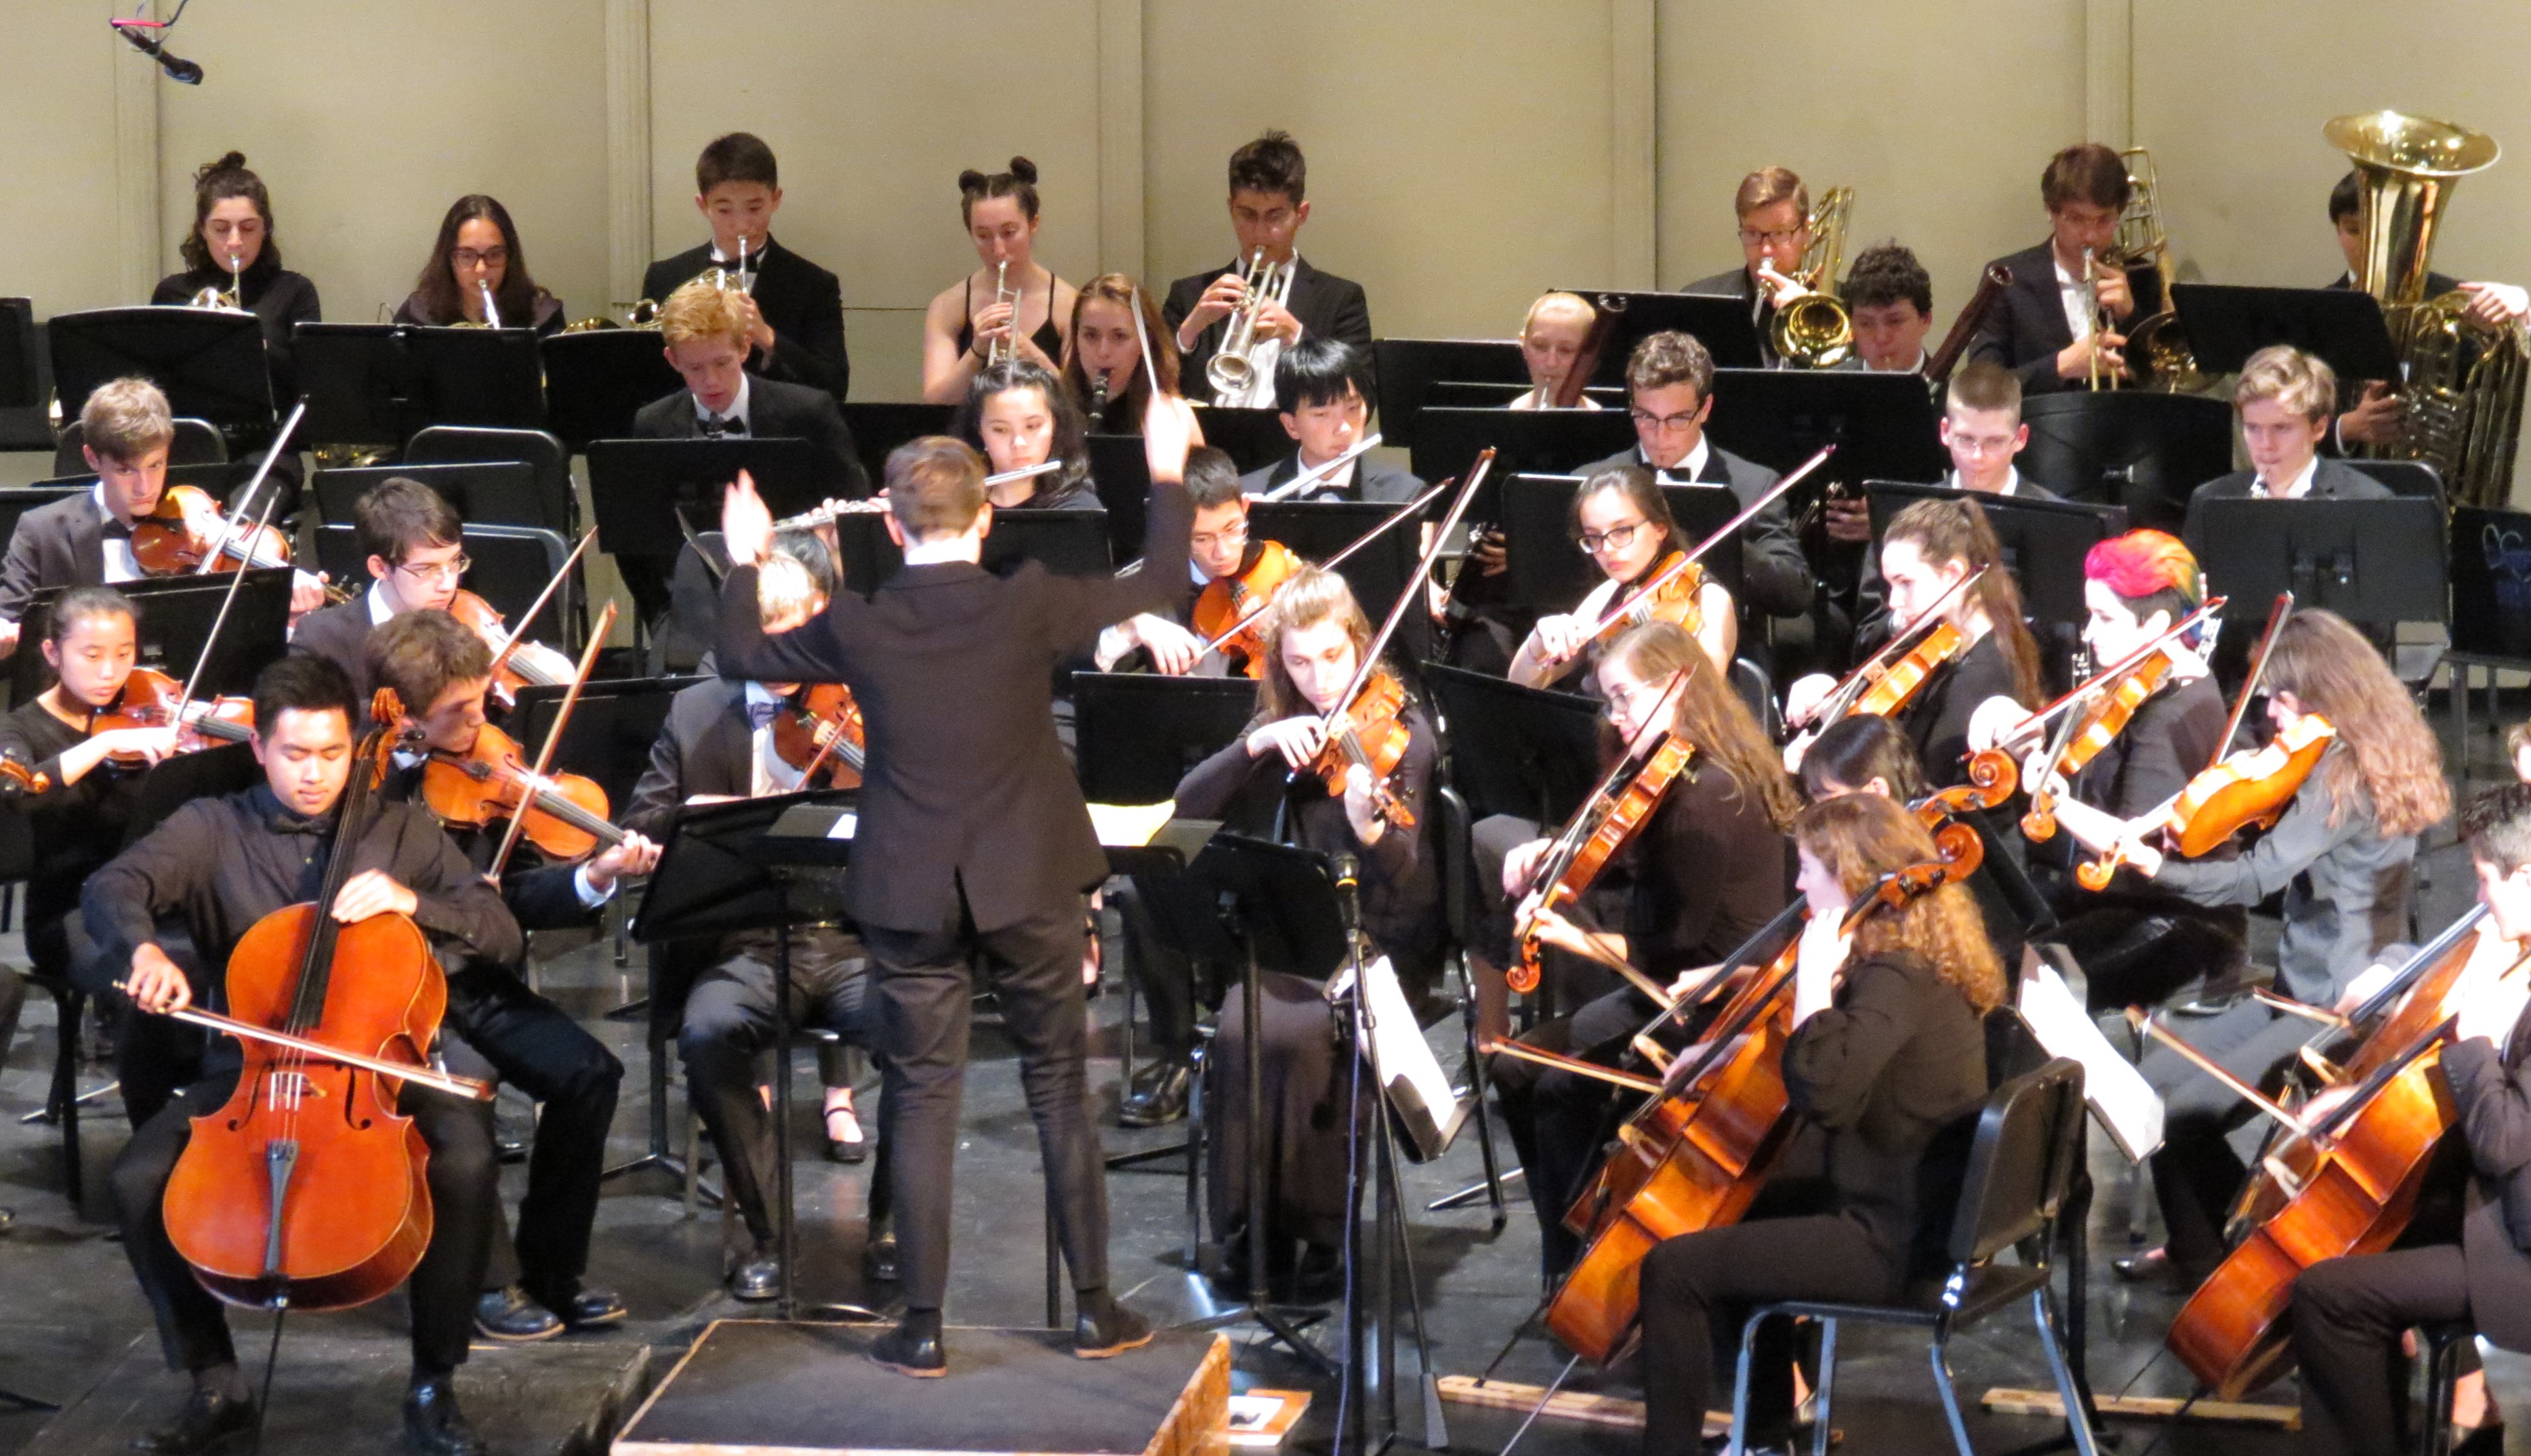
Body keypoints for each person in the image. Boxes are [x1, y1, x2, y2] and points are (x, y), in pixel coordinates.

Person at [712, 397, 1197, 1374]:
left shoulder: (859, 622)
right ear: (985, 519)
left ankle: (924, 1327)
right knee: (1059, 1087)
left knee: (922, 1095)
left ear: (892, 530)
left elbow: (742, 652)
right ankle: (1094, 1312)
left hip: (911, 888)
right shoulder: (1029, 601)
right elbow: (1158, 580)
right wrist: (1166, 470)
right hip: (1030, 878)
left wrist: (748, 558)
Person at [91, 654, 522, 1456]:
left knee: (465, 1160)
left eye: (332, 754)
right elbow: (112, 886)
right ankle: (215, 1382)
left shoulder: (398, 828)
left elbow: (499, 928)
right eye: (295, 754)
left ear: (356, 748)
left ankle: (435, 1381)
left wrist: (414, 901)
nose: (316, 774)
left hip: (376, 1068)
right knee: (137, 1178)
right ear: (260, 747)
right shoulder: (210, 826)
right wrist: (143, 949)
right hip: (250, 1069)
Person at [2046, 609, 2448, 1289]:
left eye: (2279, 699)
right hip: (2307, 981)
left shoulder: (2342, 778)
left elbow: (2253, 879)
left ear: (2322, 694)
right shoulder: (2370, 749)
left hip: (2334, 1003)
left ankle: (2220, 1262)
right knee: (2156, 1085)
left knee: (2180, 1112)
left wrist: (2155, 866)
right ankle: (2207, 1241)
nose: (2268, 713)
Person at [1636, 791, 2000, 1456]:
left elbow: (1824, 1093)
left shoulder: (1894, 975)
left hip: (1894, 1242)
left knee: (1672, 1269)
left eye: (1807, 869)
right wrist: (1730, 1049)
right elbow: (1851, 1065)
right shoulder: (1918, 957)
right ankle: (1765, 1436)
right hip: (1922, 1215)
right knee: (1746, 1205)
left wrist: (1812, 978)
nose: (1799, 885)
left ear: (1851, 878)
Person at [364, 610, 659, 1339]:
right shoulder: (365, 787)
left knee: (589, 1072)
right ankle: (489, 1282)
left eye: (481, 701)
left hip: (470, 976)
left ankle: (553, 1269)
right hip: (392, 987)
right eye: (457, 712)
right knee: (464, 1090)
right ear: (405, 717)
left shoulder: (487, 773)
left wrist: (595, 875)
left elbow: (520, 897)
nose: (480, 722)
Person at [1488, 622, 1800, 1279]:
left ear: (1678, 685)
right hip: (1675, 975)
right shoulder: (1683, 767)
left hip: (1710, 998)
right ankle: (1565, 1250)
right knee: (1515, 1069)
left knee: (1553, 1086)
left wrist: (1577, 939)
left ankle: (1587, 1265)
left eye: (1626, 697)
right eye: (1609, 700)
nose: (1616, 716)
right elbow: (1631, 868)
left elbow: (1670, 945)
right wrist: (1555, 849)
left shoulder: (1705, 799)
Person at [625, 541, 887, 1298]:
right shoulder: (697, 709)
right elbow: (644, 819)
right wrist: (691, 817)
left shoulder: (866, 699)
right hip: (740, 942)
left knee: (919, 1029)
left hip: (849, 935)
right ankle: (767, 1234)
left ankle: (891, 1226)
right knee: (708, 1034)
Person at [1172, 567, 1443, 1294]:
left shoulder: (1405, 733)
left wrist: (1369, 829)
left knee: (1310, 1036)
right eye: (1298, 662)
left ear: (1358, 642)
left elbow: (1404, 873)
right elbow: (1187, 805)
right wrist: (1256, 745)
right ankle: (1252, 1226)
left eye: (1331, 657)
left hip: (1376, 938)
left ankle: (1323, 1231)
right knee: (1242, 1027)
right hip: (1292, 931)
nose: (1320, 679)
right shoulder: (1281, 719)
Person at [2286, 781, 2531, 1456]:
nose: (2479, 896)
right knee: (2368, 1230)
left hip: (2521, 1249)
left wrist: (2475, 1044)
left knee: (2327, 1296)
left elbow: (2505, 1141)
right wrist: (2365, 1104)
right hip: (2506, 1210)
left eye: (2486, 880)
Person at [2011, 531, 2243, 1010]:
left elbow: (2133, 847)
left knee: (2016, 974)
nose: (2087, 633)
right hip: (2109, 893)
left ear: (2155, 624)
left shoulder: (2171, 712)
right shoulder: (2135, 679)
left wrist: (2055, 800)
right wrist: (2003, 717)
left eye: (2104, 618)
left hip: (2169, 916)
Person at [0, 589, 180, 1119]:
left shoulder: (145, 714)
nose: (110, 671)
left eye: (124, 654)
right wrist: (100, 746)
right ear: (53, 653)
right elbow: (17, 791)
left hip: (149, 898)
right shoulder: (20, 729)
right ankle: (152, 1127)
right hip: (69, 912)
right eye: (92, 655)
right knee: (141, 989)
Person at [625, 278, 867, 625]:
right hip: (695, 611)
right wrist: (664, 617)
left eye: (722, 363)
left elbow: (853, 511)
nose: (711, 380)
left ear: (745, 349)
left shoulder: (809, 412)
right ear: (672, 360)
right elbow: (636, 542)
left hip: (805, 603)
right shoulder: (653, 424)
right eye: (695, 368)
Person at [1786, 495, 2044, 787]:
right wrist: (1833, 709)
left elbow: (1918, 785)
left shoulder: (1984, 673)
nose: (1893, 602)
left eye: (1906, 583)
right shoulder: (1937, 641)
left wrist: (1826, 764)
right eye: (1890, 585)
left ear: (1953, 575)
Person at [1577, 331, 1811, 623]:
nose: (1661, 435)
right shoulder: (1589, 483)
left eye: (1678, 418)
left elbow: (1794, 593)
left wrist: (1723, 538)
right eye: (1646, 417)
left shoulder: (1755, 485)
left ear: (1705, 409)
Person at [2325, 169, 2529, 452]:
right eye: (2354, 230)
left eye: (2383, 232)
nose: (2370, 245)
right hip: (2342, 475)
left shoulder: (2456, 301)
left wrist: (2520, 316)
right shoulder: (2319, 311)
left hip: (2437, 473)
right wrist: (2345, 428)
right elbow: (2287, 419)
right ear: (2338, 231)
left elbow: (2492, 380)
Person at [1165, 131, 1373, 407]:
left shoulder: (1341, 299)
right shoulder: (1188, 294)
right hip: (1208, 433)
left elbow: (1363, 399)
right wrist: (1190, 330)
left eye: (1275, 216)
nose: (1260, 232)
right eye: (1247, 215)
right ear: (1231, 209)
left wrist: (1296, 335)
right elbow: (1150, 389)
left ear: (1301, 214)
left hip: (1291, 434)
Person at [643, 131, 849, 400]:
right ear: (703, 205)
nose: (741, 224)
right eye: (724, 210)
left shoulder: (815, 284)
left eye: (754, 208)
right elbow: (648, 380)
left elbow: (835, 388)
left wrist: (768, 337)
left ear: (775, 199)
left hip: (779, 422)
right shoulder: (665, 277)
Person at [1828, 362, 2062, 594]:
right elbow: (1873, 613)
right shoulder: (1903, 516)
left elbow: (2065, 614)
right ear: (1945, 432)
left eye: (1994, 441)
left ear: (2021, 438)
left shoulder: (2057, 521)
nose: (1978, 456)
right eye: (1966, 439)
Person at [148, 152, 320, 466]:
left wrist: (250, 343)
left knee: (253, 500)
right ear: (203, 230)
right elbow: (158, 387)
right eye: (221, 228)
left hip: (270, 449)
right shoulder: (173, 292)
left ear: (266, 228)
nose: (235, 242)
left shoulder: (295, 291)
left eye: (248, 228)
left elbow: (309, 386)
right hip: (191, 447)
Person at [1507, 465, 1738, 688]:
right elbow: (1521, 684)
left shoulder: (1709, 599)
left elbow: (1702, 693)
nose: (1607, 549)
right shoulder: (1609, 593)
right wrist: (1539, 641)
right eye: (1594, 537)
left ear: (1660, 528)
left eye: (1622, 531)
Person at [1967, 144, 2160, 394]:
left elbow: (2164, 382)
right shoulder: (2007, 279)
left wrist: (2132, 317)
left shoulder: (2142, 277)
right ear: (2051, 211)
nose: (2090, 236)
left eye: (2104, 220)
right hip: (2038, 420)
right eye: (2076, 219)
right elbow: (1981, 389)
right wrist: (2059, 366)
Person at [1096, 447, 1281, 680]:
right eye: (1202, 539)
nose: (1222, 552)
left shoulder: (1278, 572)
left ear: (1244, 508)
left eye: (1232, 529)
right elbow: (1088, 667)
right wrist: (1132, 629)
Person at [289, 476, 471, 705]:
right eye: (426, 569)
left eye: (454, 562)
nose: (448, 585)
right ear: (380, 568)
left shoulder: (469, 622)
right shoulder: (320, 640)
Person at [922, 159, 1078, 404]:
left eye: (1009, 233)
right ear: (970, 233)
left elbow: (1080, 404)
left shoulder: (1068, 303)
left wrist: (1034, 357)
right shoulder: (947, 306)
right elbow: (936, 402)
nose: (998, 249)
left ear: (1033, 224)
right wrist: (977, 351)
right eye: (983, 236)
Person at [2184, 346, 2392, 524]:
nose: (2265, 444)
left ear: (2319, 428)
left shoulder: (2369, 503)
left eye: (2281, 428)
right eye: (2253, 428)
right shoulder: (2209, 501)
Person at [1237, 339, 1421, 503]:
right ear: (1291, 425)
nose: (1345, 429)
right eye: (1322, 414)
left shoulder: (1404, 495)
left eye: (1353, 408)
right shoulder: (1245, 495)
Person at [1681, 166, 1818, 370]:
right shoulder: (1698, 301)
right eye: (1752, 233)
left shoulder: (1847, 306)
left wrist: (1810, 318)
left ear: (1806, 231)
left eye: (1780, 233)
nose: (1766, 250)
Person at [394, 194, 564, 335]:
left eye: (494, 254)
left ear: (510, 257)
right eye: (467, 255)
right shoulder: (417, 317)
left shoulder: (541, 317)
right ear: (448, 258)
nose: (481, 269)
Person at [949, 359, 1101, 510]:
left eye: (1032, 426)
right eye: (1000, 430)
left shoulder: (1078, 509)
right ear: (979, 431)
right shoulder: (956, 505)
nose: (1018, 443)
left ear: (1055, 426)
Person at [1061, 273, 1193, 434]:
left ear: (1146, 340)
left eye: (1119, 336)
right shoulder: (1053, 413)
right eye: (1091, 335)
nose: (1103, 351)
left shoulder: (1171, 418)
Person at [1837, 243, 1935, 375]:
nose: (1881, 338)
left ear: (1925, 320)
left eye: (1895, 321)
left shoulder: (1954, 389)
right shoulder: (1824, 386)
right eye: (1866, 324)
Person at [1510, 292, 1605, 410]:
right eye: (1540, 347)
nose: (1551, 363)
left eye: (1566, 350)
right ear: (1524, 346)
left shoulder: (1610, 421)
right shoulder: (1494, 418)